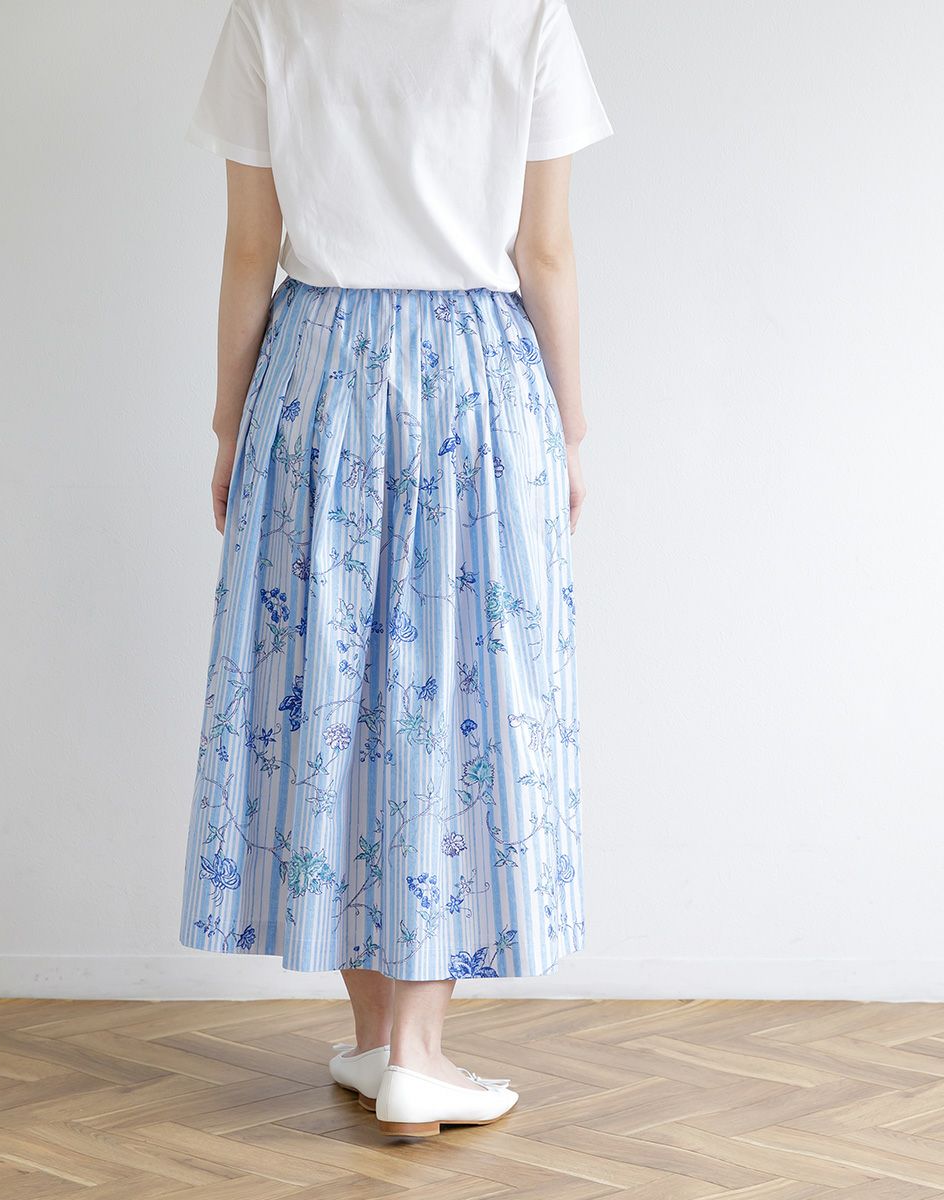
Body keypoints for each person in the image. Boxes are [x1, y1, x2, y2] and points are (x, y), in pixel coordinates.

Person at [177, 0, 613, 1137]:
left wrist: (228, 425)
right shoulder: (525, 18)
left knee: (336, 692)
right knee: (451, 690)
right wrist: (570, 430)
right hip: (474, 378)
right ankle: (410, 1051)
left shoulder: (272, 14)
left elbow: (251, 249)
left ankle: (382, 1041)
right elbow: (545, 251)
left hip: (315, 368)